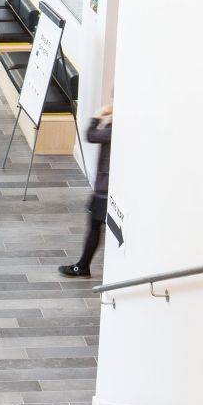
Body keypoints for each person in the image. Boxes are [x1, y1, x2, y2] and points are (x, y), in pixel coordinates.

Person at [60, 105, 118, 278]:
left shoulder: (118, 127)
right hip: (106, 184)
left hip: (105, 187)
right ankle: (83, 265)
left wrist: (98, 115)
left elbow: (90, 135)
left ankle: (83, 266)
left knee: (94, 225)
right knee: (96, 224)